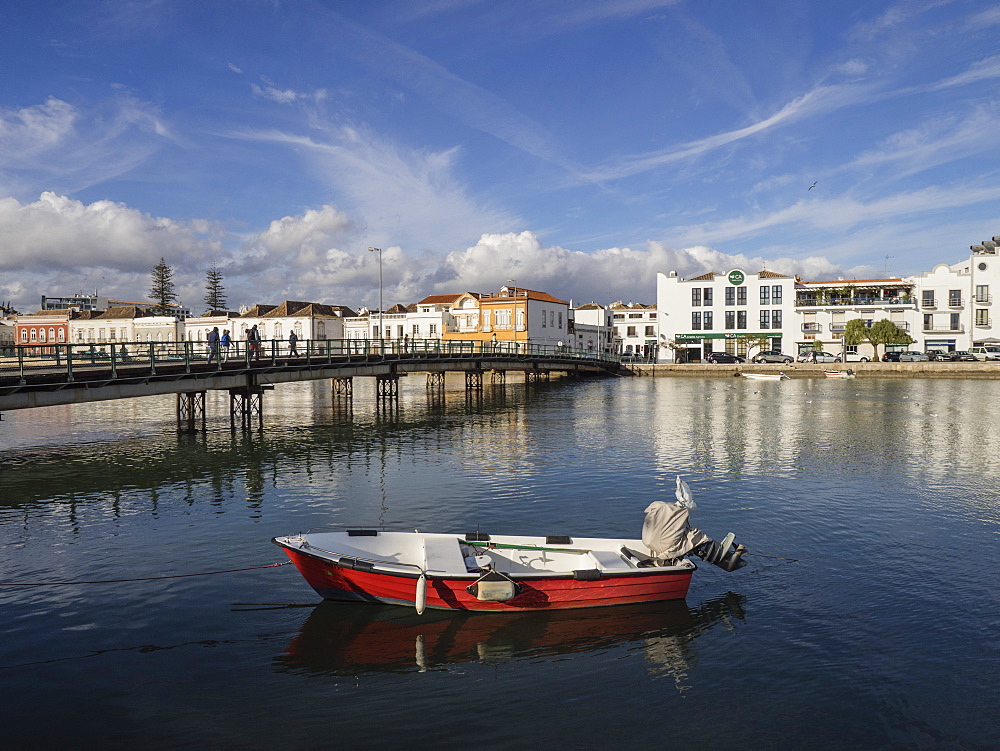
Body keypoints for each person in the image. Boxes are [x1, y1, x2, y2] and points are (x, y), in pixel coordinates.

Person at [641, 476, 747, 572]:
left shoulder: (663, 507)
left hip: (649, 542)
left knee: (690, 537)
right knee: (693, 537)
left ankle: (725, 553)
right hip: (664, 544)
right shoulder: (678, 512)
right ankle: (725, 555)